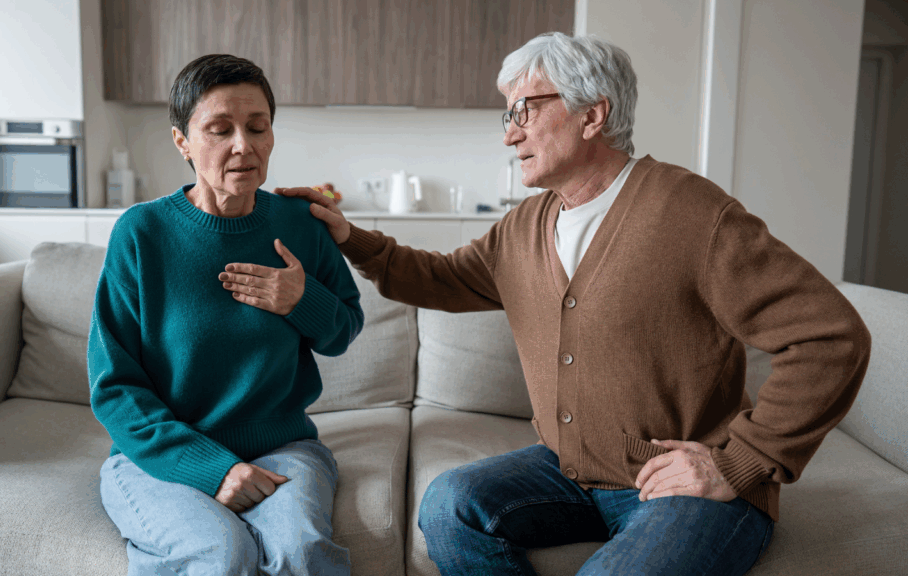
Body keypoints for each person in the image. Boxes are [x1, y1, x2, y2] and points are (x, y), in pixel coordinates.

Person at [273, 32, 871, 576]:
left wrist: (738, 463)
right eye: (509, 115)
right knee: (450, 506)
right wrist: (352, 238)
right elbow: (439, 279)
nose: (509, 133)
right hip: (570, 474)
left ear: (593, 114)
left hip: (689, 490)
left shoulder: (692, 213)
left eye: (525, 110)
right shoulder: (525, 226)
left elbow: (830, 337)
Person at [88, 54, 363, 576]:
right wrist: (215, 470)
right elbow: (115, 387)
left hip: (283, 448)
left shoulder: (301, 225)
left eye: (258, 127)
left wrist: (301, 301)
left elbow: (343, 330)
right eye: (220, 129)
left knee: (301, 553)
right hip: (166, 456)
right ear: (182, 141)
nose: (244, 145)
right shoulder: (141, 234)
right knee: (221, 555)